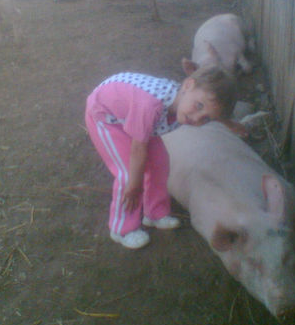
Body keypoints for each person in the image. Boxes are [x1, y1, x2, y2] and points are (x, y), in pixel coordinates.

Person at [84, 67, 237, 249]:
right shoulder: (150, 106)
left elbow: (212, 111)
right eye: (199, 106)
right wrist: (135, 185)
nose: (196, 118)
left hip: (134, 117)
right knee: (128, 174)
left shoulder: (181, 103)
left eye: (206, 119)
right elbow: (138, 149)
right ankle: (122, 228)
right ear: (188, 85)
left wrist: (231, 124)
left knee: (159, 163)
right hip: (106, 117)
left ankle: (154, 212)